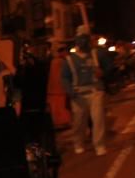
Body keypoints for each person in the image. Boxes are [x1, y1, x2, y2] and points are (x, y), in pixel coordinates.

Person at [61, 25, 112, 155]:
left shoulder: (97, 54)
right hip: (78, 94)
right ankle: (78, 142)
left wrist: (103, 73)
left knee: (98, 119)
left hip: (96, 91)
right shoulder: (69, 60)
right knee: (79, 121)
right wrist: (70, 92)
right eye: (80, 39)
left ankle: (99, 145)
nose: (83, 42)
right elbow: (65, 77)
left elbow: (110, 67)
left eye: (85, 38)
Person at [46, 45, 72, 129]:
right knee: (61, 106)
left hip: (52, 88)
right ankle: (62, 122)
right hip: (60, 88)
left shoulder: (53, 61)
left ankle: (55, 122)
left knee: (54, 106)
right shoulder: (62, 62)